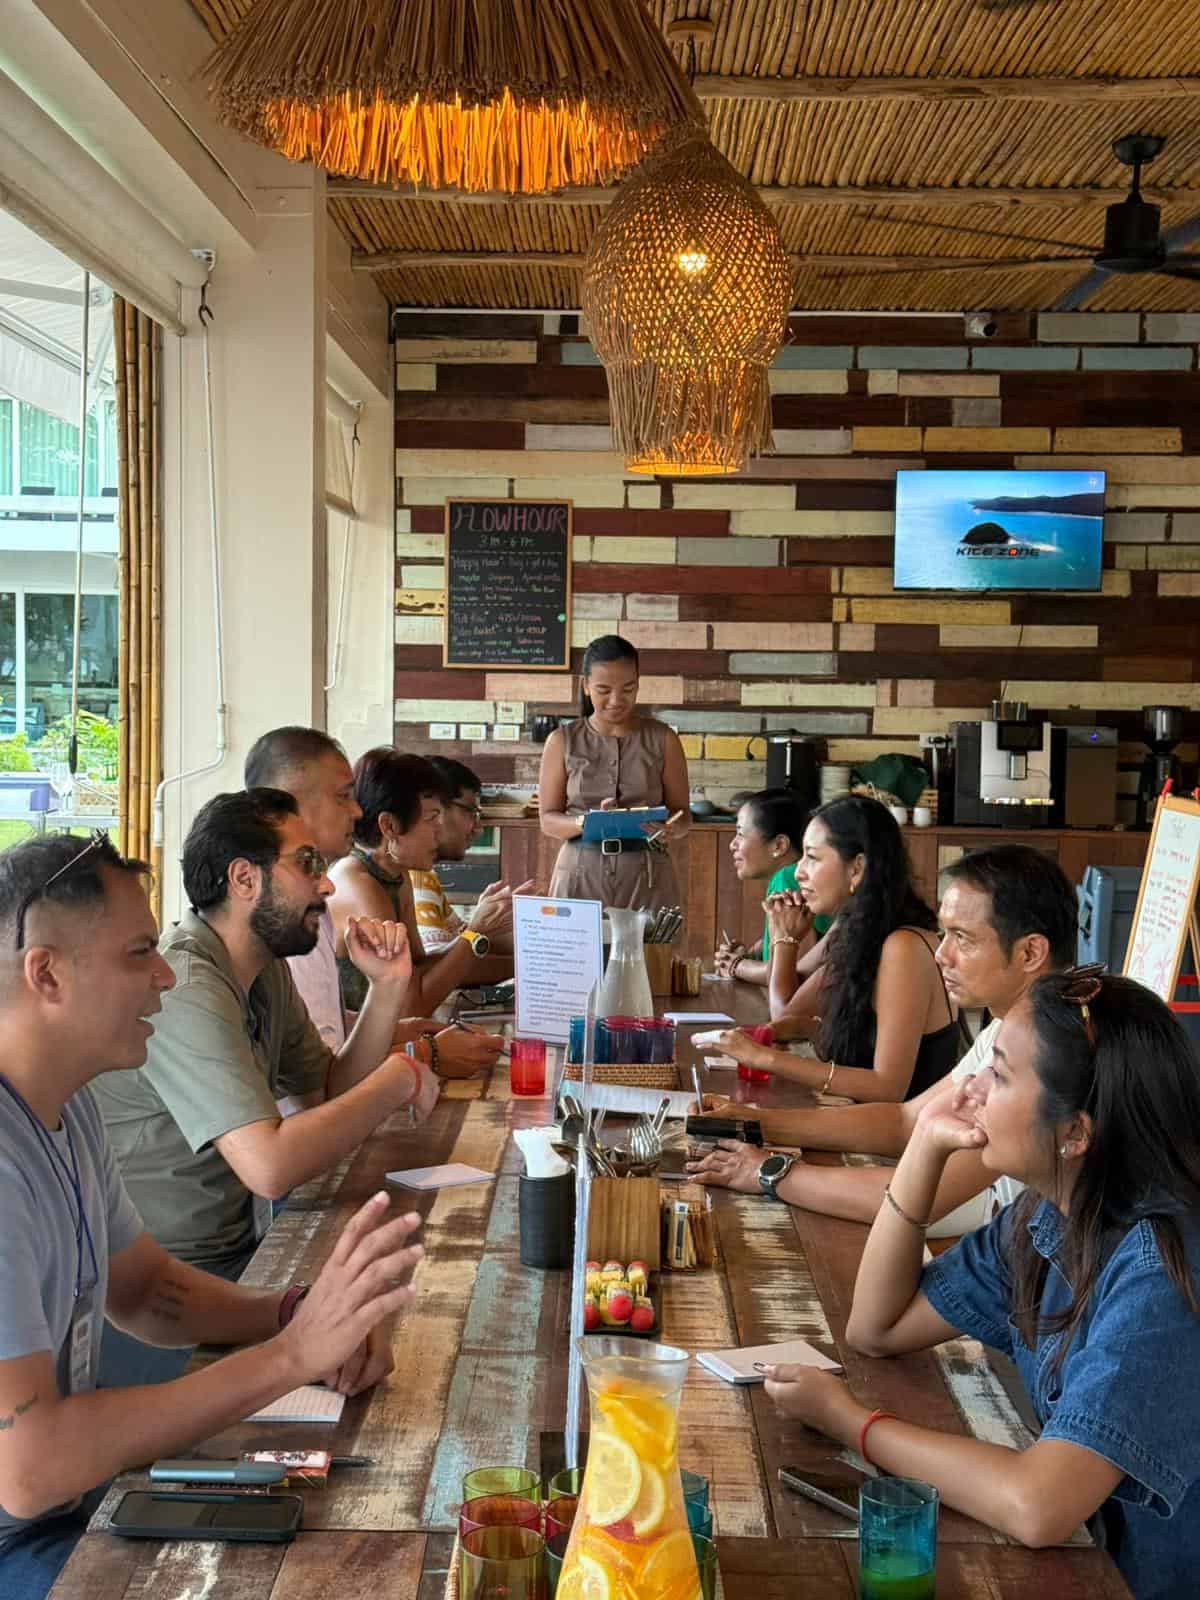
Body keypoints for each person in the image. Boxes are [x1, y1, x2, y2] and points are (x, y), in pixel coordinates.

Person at [0, 831, 423, 1600]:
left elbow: (145, 1291)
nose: (163, 975)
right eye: (139, 954)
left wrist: (293, 1312)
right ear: (47, 974)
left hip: (62, 1512)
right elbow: (30, 1468)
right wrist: (290, 1356)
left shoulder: (65, 1104)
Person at [763, 972, 1200, 1600]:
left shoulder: (1161, 1269)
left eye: (998, 1074)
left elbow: (1038, 1504)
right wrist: (924, 1148)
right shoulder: (1047, 1215)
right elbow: (877, 1326)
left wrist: (849, 1421)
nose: (970, 1090)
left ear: (1075, 1134)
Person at [95, 788, 434, 1293]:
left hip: (243, 1249)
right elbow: (269, 1167)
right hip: (164, 1286)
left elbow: (328, 1091)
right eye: (306, 864)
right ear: (244, 879)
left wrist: (387, 987)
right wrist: (399, 1078)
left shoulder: (263, 969)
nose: (326, 884)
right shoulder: (186, 985)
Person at [689, 845, 1077, 1225]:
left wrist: (769, 1171)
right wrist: (755, 1122)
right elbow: (906, 1121)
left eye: (962, 938)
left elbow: (924, 1196)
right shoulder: (1008, 1026)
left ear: (1030, 953)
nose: (941, 955)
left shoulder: (1049, 1050)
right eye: (944, 934)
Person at [243, 728, 502, 1078]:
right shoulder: (348, 887)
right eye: (343, 797)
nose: (355, 811)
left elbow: (335, 1033)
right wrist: (474, 936)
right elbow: (406, 1004)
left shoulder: (388, 879)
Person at [710, 795, 960, 1102]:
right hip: (860, 1120)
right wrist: (798, 1028)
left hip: (897, 1131)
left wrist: (766, 1058)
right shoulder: (860, 929)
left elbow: (887, 1088)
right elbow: (800, 1013)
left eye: (812, 858)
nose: (799, 872)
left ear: (857, 868)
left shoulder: (903, 946)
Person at [329, 749, 527, 1016]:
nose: (440, 831)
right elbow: (410, 1007)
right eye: (432, 818)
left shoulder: (396, 874)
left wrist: (496, 942)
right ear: (389, 826)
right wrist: (474, 933)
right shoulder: (361, 886)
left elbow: (419, 967)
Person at [538, 635, 691, 911]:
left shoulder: (664, 738)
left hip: (647, 875)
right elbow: (548, 820)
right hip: (579, 873)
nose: (616, 700)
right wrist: (587, 822)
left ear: (638, 684)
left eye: (628, 689)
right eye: (603, 690)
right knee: (579, 942)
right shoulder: (561, 741)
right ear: (586, 686)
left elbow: (683, 815)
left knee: (649, 942)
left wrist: (671, 828)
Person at [713, 788, 831, 986]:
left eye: (740, 834)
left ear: (779, 845)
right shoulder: (785, 879)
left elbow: (794, 972)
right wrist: (749, 954)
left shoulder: (789, 877)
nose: (732, 844)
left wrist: (737, 965)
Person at [411, 756, 515, 960]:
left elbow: (466, 943)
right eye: (471, 813)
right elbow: (440, 967)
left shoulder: (425, 874)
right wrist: (479, 927)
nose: (478, 829)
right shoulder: (414, 877)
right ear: (434, 810)